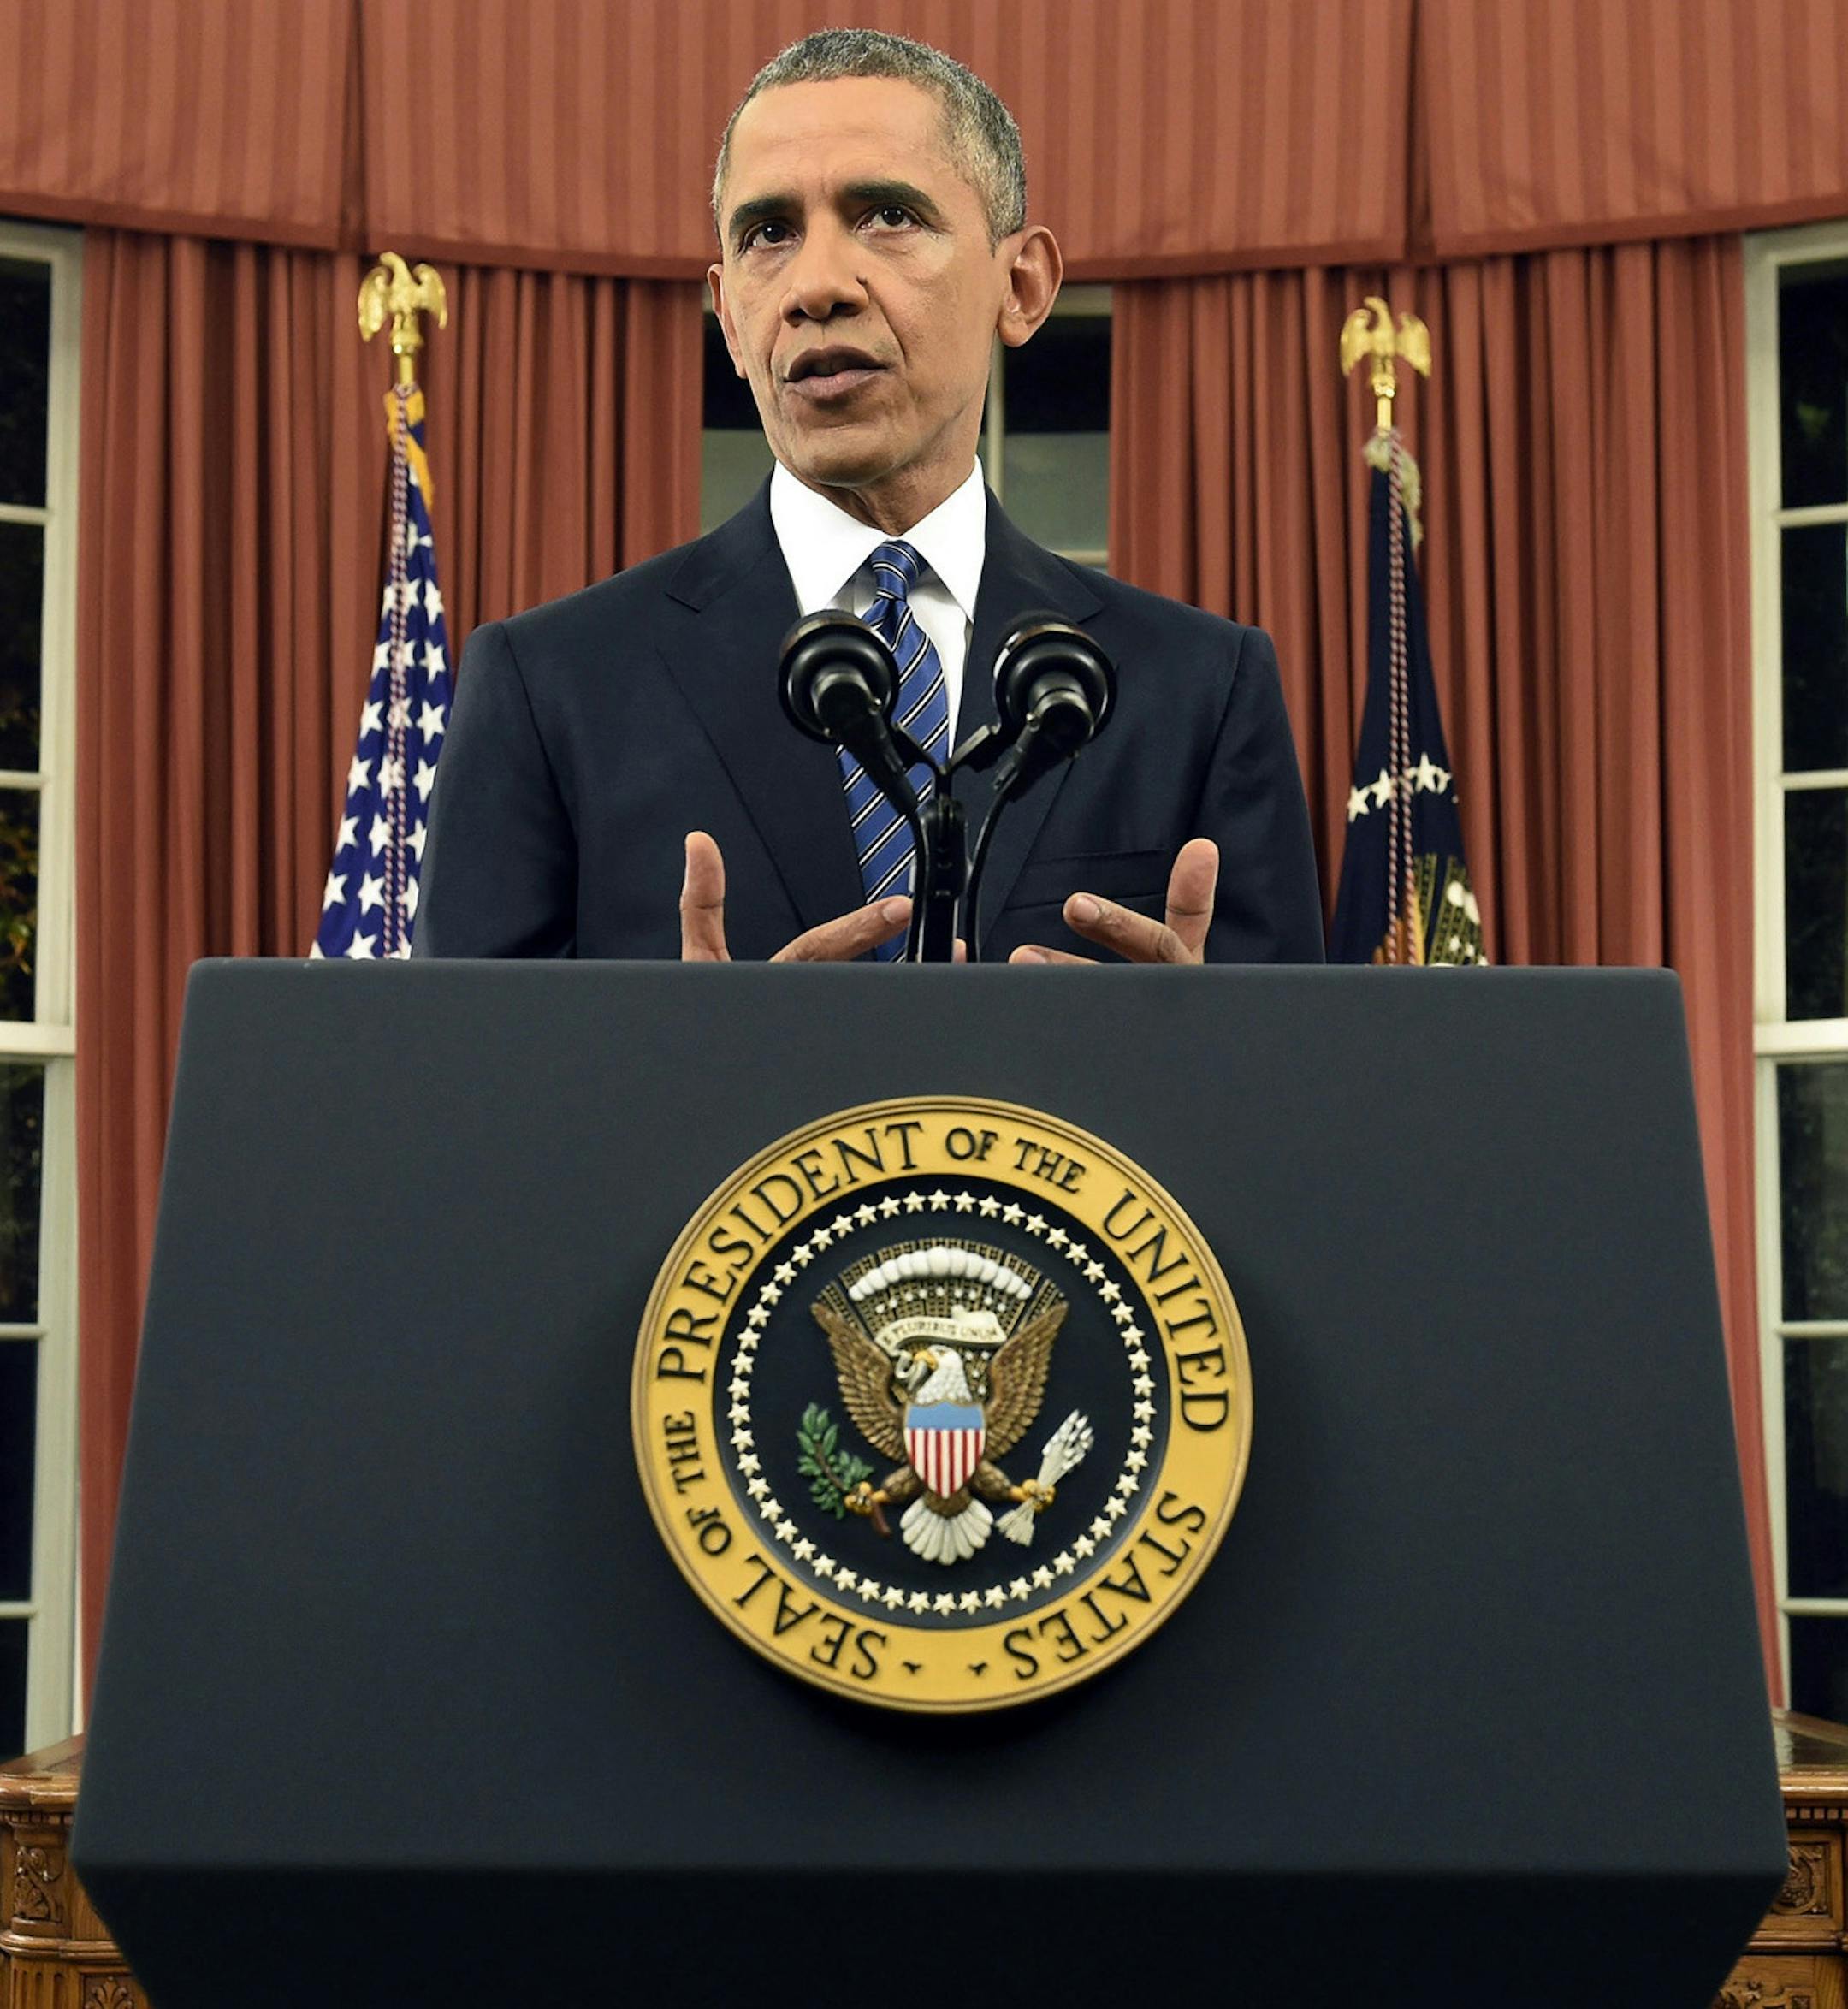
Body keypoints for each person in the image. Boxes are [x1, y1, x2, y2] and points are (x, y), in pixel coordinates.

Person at [418, 29, 1324, 969]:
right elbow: (463, 1096)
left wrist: (1205, 1054)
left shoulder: (1201, 689)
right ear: (730, 318)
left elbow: (1295, 1099)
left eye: (887, 215)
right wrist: (686, 1069)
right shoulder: (547, 686)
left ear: (1021, 286)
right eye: (769, 233)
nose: (815, 286)